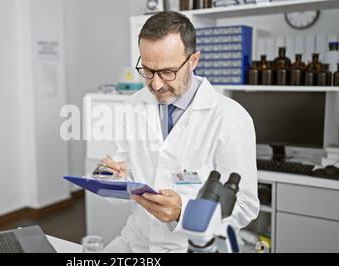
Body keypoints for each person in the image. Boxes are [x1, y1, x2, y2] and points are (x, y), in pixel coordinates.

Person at [101, 11, 259, 252]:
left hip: (189, 247)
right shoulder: (133, 105)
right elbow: (119, 178)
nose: (156, 84)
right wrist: (109, 176)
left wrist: (183, 212)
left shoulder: (231, 118)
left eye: (167, 72)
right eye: (148, 71)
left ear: (193, 60)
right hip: (136, 242)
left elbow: (245, 206)